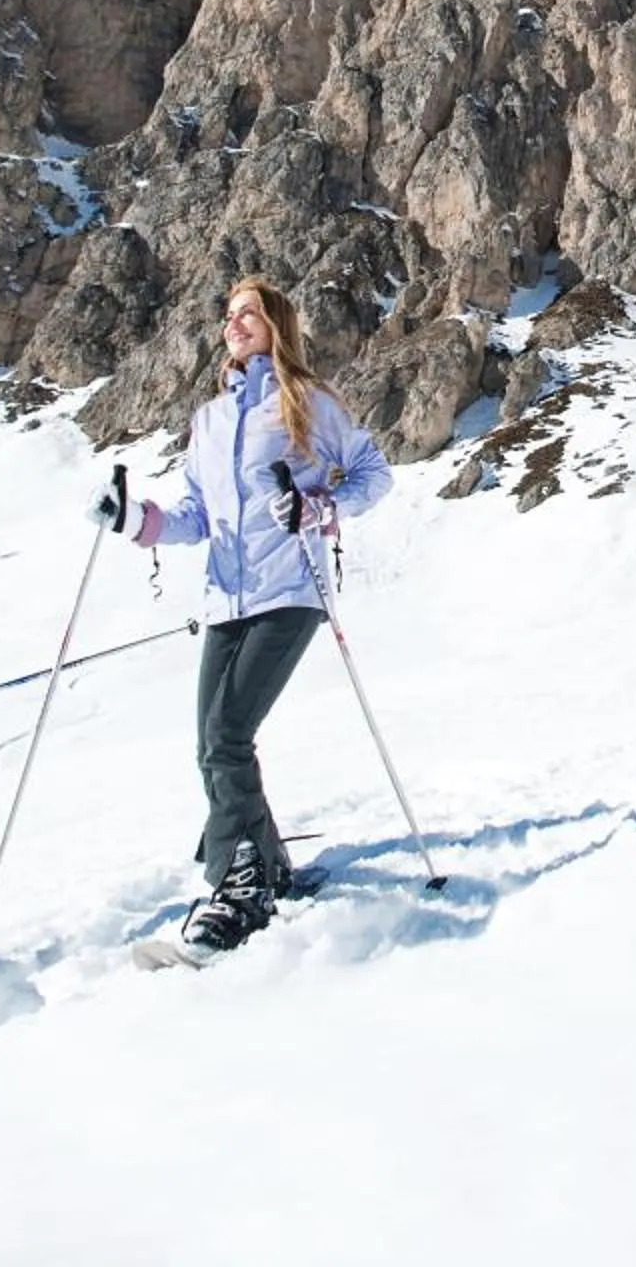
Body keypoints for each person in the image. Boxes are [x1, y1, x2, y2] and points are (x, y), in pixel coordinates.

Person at [98, 276, 394, 954]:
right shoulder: (210, 420)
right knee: (210, 744)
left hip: (290, 590)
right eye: (230, 315)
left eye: (249, 315)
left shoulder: (307, 402)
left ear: (276, 326)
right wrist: (132, 519)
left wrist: (319, 509)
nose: (234, 325)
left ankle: (240, 883)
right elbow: (195, 515)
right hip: (225, 598)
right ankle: (271, 869)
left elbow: (374, 474)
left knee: (227, 734)